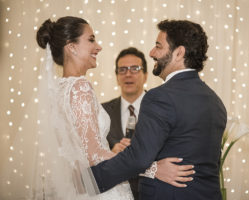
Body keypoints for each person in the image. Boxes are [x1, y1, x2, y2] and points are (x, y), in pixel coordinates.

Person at [27, 16, 193, 199]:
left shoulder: (57, 90)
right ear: (71, 46)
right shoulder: (80, 88)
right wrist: (153, 169)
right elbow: (94, 155)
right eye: (91, 40)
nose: (98, 46)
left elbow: (74, 156)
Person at [91, 19, 227, 200]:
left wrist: (87, 181)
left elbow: (137, 158)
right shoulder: (216, 102)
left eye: (158, 46)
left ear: (179, 53)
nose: (152, 53)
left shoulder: (160, 97)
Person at [102, 47, 148, 199]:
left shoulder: (161, 108)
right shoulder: (102, 111)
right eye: (122, 69)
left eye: (135, 69)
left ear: (145, 75)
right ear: (116, 77)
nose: (128, 74)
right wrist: (111, 154)